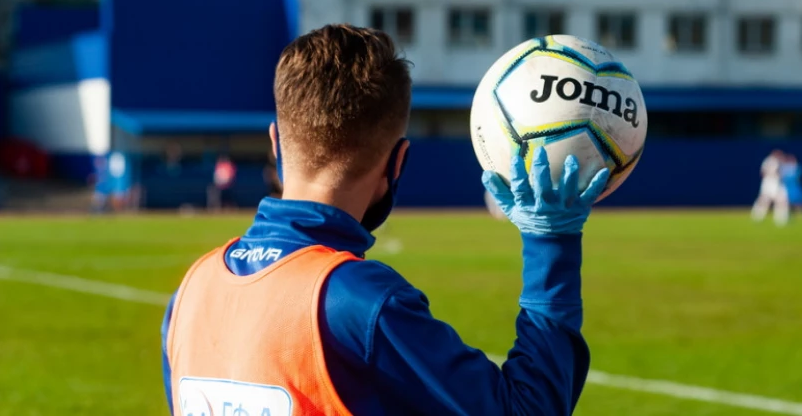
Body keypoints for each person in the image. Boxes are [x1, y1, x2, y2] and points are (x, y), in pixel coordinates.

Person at [160, 24, 609, 415]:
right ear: (398, 163)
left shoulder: (189, 293)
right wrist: (552, 241)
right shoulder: (360, 304)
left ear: (276, 143)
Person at [751, 149, 788, 226]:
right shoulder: (774, 161)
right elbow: (776, 172)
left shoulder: (767, 160)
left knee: (766, 200)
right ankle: (780, 220)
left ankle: (757, 217)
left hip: (769, 182)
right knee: (771, 200)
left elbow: (762, 172)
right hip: (772, 182)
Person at [780, 154, 802, 219]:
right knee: (789, 204)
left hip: (796, 188)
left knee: (801, 203)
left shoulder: (796, 167)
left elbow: (798, 176)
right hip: (788, 189)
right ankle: (790, 217)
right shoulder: (784, 168)